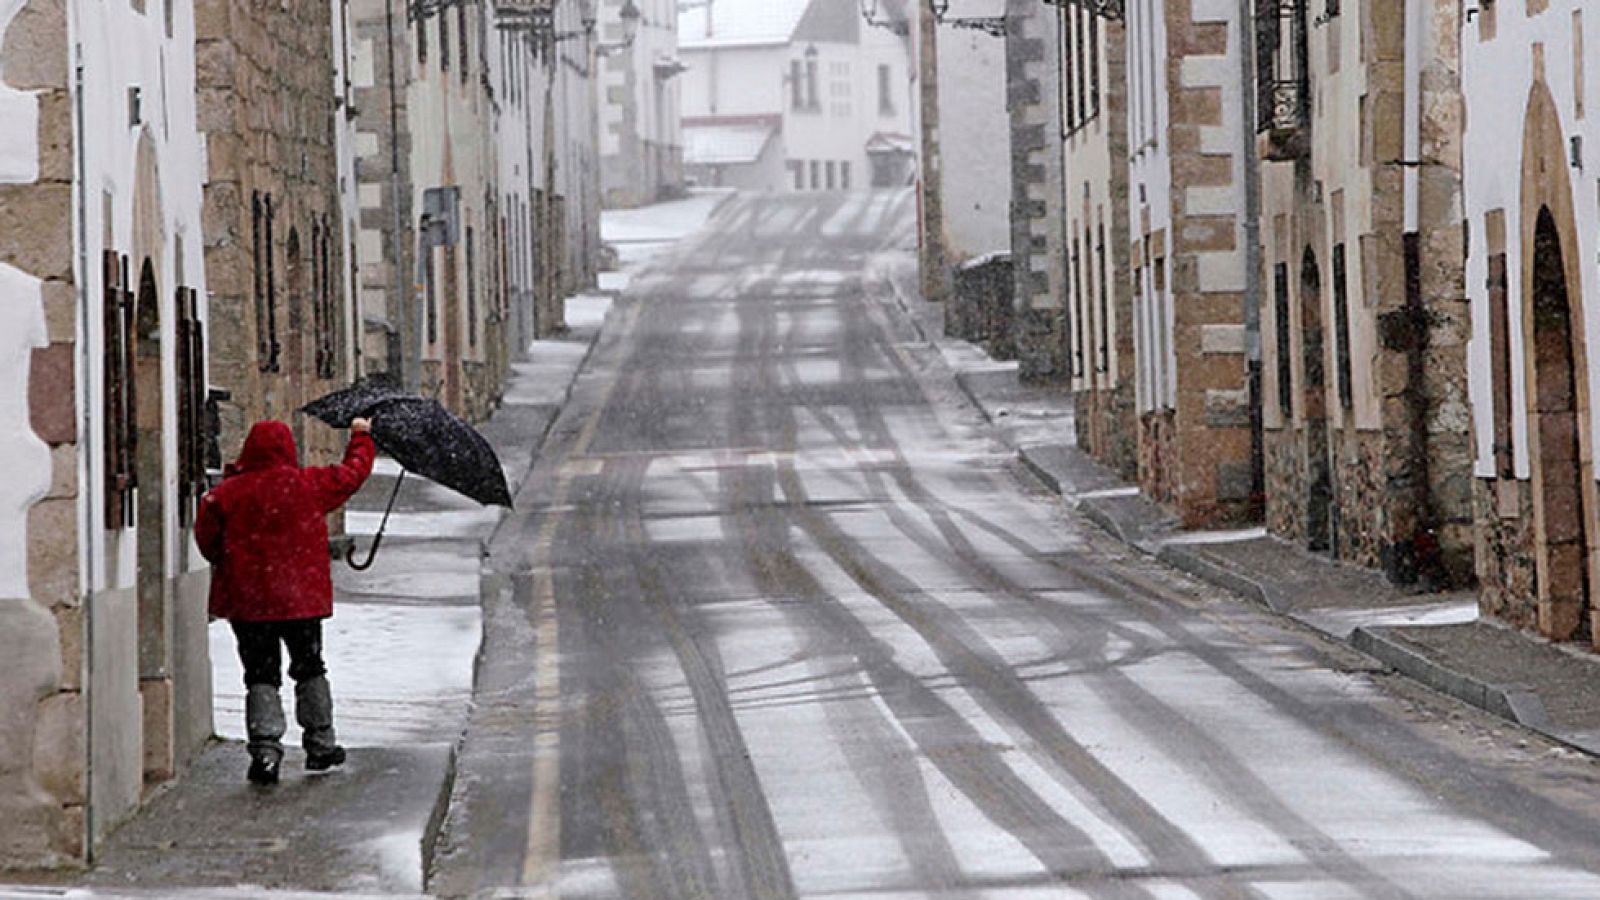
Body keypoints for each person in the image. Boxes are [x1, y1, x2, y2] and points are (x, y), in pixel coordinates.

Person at [196, 418, 376, 785]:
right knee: (309, 666)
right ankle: (321, 742)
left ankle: (265, 750)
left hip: (250, 602)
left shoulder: (228, 493)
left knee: (260, 674)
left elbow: (208, 542)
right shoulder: (309, 485)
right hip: (300, 600)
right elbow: (352, 474)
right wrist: (361, 437)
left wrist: (236, 561)